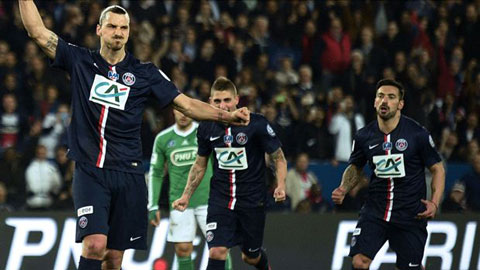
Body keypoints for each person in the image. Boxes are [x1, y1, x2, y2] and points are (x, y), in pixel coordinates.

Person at [18, 2, 250, 270]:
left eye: (124, 27)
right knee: (94, 245)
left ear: (129, 33)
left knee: (114, 258)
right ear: (99, 30)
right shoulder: (80, 60)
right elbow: (36, 31)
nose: (118, 32)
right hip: (91, 170)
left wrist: (227, 117)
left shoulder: (145, 73)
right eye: (112, 26)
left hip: (128, 173)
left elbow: (186, 104)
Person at [173, 77, 287, 270]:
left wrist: (281, 185)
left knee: (250, 257)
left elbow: (279, 157)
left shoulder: (256, 124)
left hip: (252, 200)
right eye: (217, 101)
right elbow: (200, 165)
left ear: (236, 100)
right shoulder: (206, 127)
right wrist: (186, 195)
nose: (222, 105)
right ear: (210, 102)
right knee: (217, 251)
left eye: (226, 100)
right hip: (221, 199)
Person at [331, 79, 445, 270]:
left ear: (400, 104)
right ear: (375, 102)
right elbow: (355, 167)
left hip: (410, 213)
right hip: (375, 210)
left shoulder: (417, 134)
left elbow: (437, 169)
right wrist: (344, 188)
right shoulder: (364, 136)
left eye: (391, 97)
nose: (385, 101)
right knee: (359, 263)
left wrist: (434, 202)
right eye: (380, 96)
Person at [148, 109, 232, 270]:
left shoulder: (206, 132)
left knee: (219, 248)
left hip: (209, 201)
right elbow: (156, 173)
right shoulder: (163, 139)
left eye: (186, 111)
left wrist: (226, 195)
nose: (184, 115)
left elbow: (222, 166)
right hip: (179, 203)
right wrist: (152, 205)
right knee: (183, 249)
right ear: (173, 112)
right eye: (179, 111)